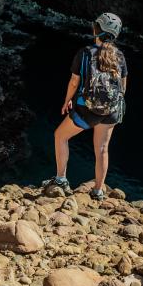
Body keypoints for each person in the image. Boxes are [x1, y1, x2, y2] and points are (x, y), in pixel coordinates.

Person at [43, 12, 127, 201]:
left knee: (60, 136)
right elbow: (123, 87)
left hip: (87, 109)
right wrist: (110, 105)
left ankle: (61, 179)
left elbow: (74, 82)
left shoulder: (85, 53)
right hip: (111, 111)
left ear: (96, 29)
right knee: (102, 149)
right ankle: (98, 191)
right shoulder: (120, 57)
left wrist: (67, 101)